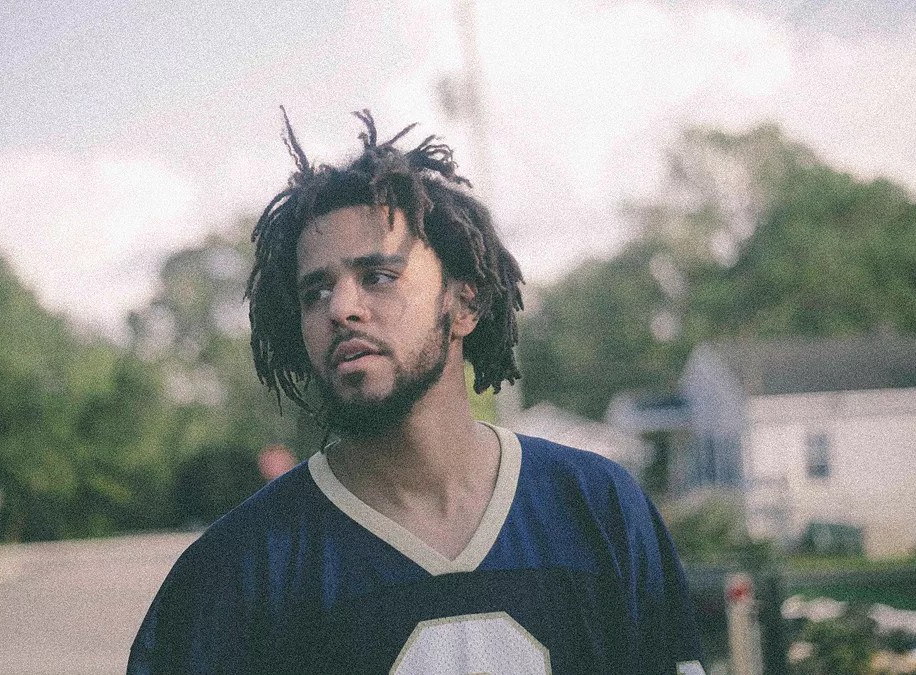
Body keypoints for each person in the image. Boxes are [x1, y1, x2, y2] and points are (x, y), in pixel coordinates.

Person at [128, 109, 706, 674]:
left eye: (378, 276)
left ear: (465, 303)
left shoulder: (598, 509)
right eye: (314, 292)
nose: (341, 308)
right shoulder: (238, 570)